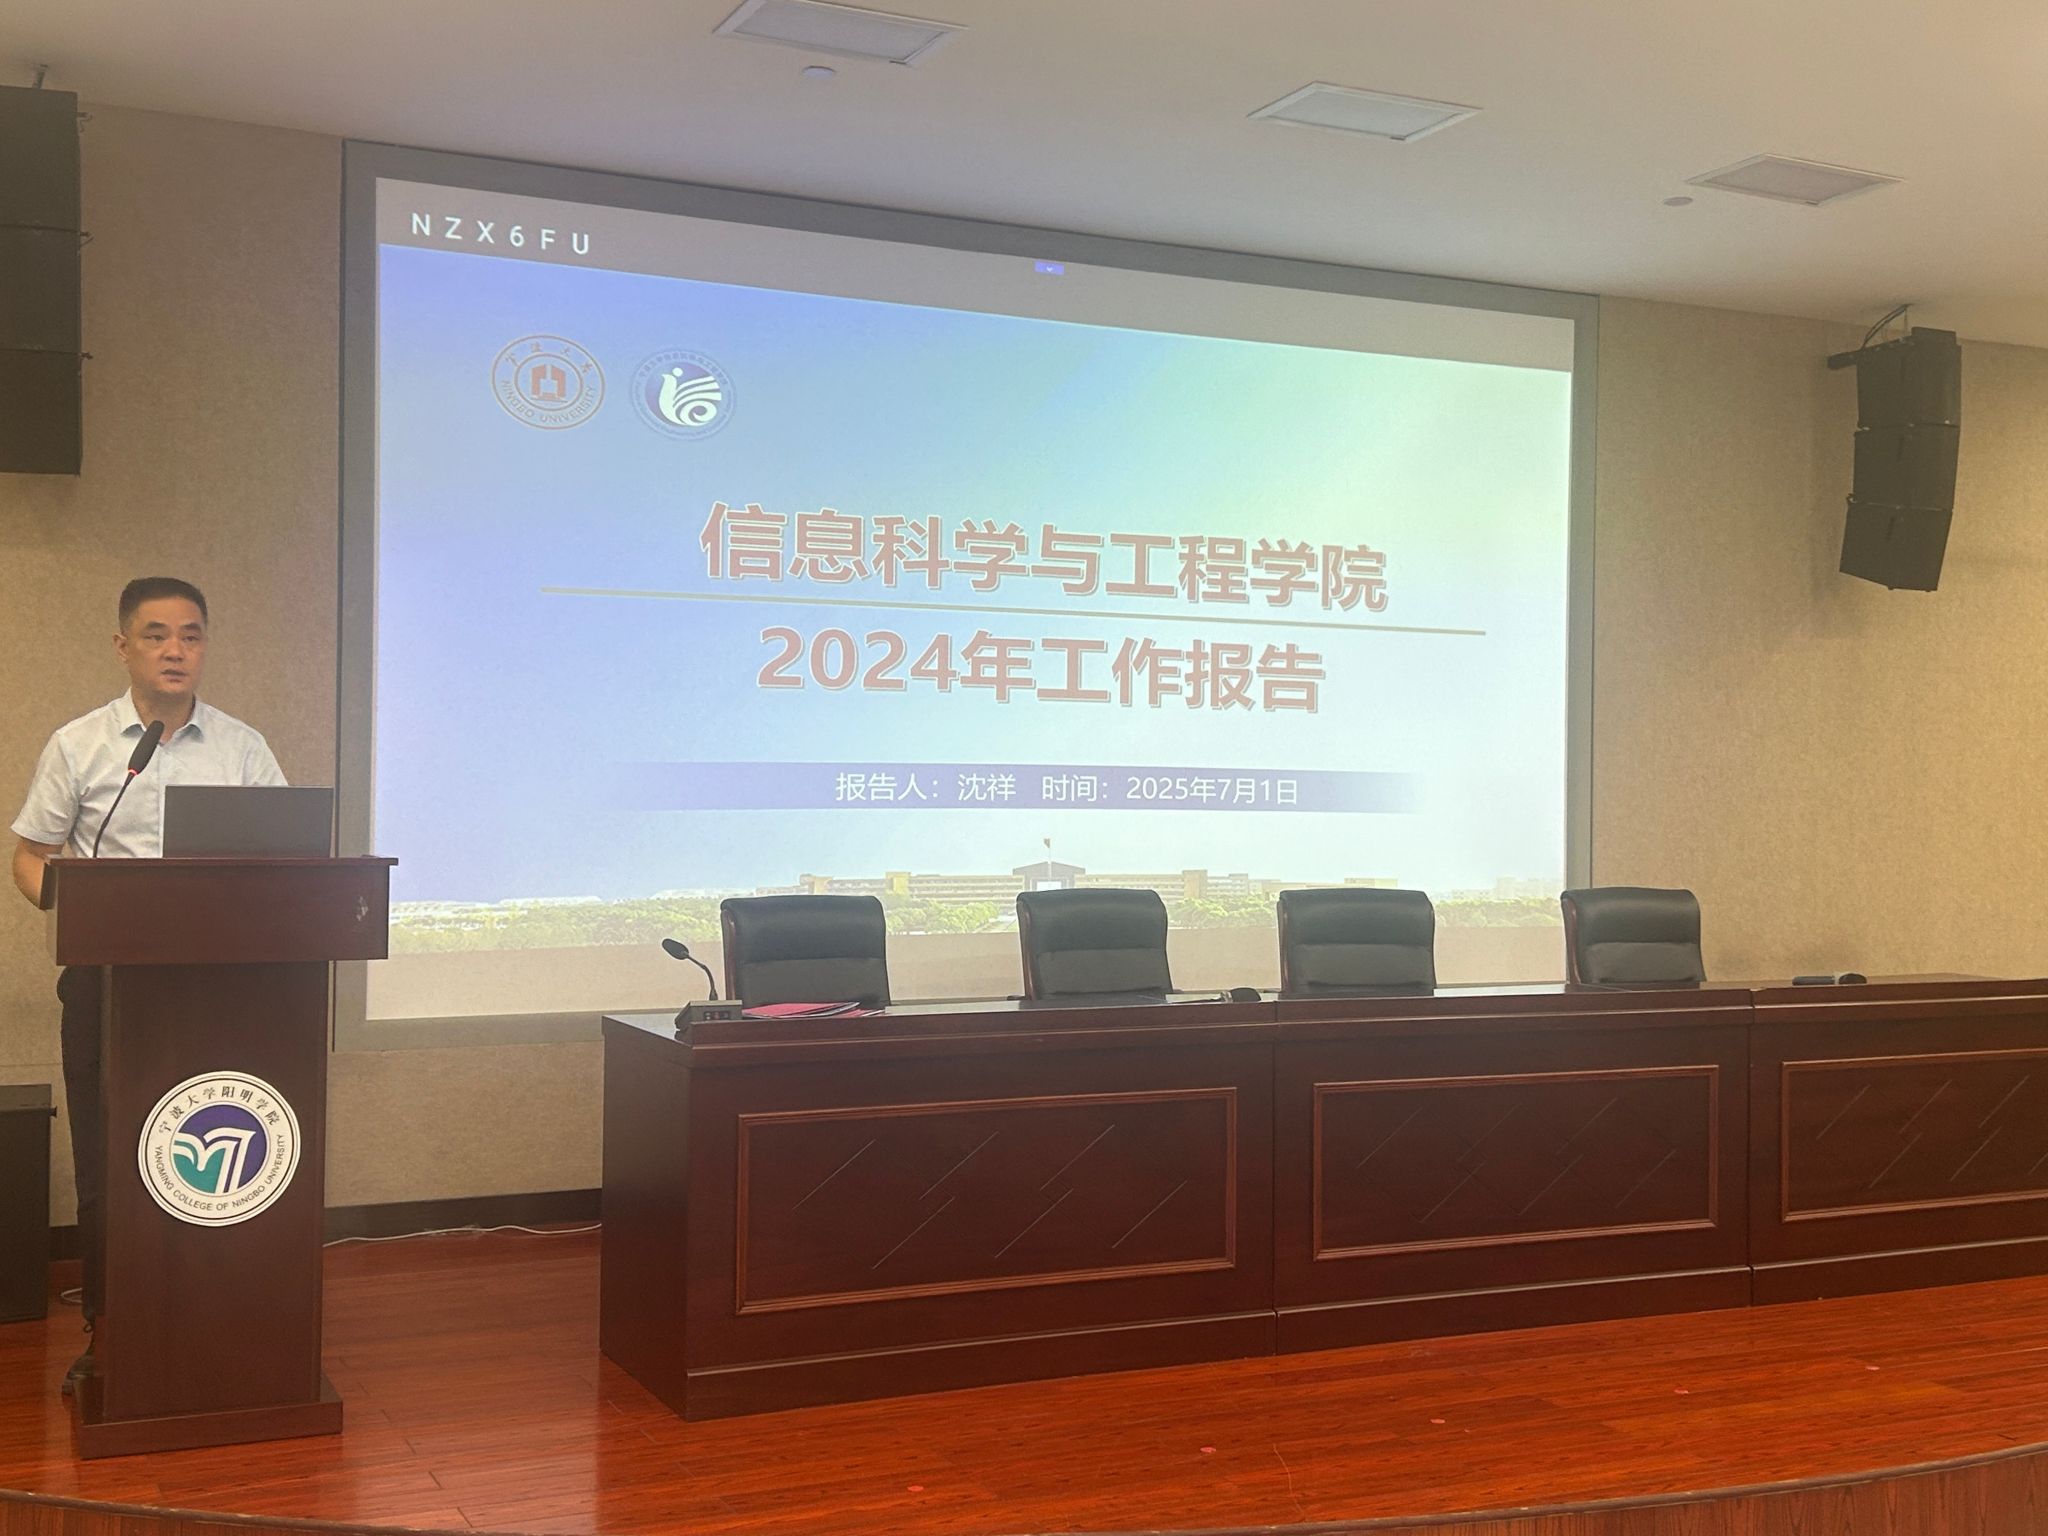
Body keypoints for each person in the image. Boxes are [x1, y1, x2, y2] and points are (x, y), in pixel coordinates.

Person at [9, 577, 285, 1396]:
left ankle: (223, 1318)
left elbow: (289, 856)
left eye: (191, 635)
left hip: (220, 989)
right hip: (109, 984)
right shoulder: (81, 745)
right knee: (110, 1160)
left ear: (205, 647)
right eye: (157, 634)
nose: (175, 650)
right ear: (123, 646)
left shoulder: (243, 749)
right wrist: (75, 912)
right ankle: (112, 1328)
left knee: (226, 1149)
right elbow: (30, 855)